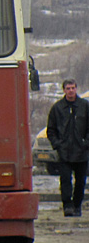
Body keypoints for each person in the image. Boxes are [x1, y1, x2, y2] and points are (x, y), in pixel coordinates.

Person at [46, 78, 89, 217]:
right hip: (64, 152)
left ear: (76, 89)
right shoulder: (57, 108)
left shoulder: (84, 106)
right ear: (64, 90)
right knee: (65, 180)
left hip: (81, 152)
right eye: (68, 88)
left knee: (80, 182)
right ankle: (67, 206)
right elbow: (51, 130)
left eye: (73, 88)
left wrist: (86, 143)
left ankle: (77, 205)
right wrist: (57, 144)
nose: (71, 91)